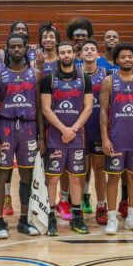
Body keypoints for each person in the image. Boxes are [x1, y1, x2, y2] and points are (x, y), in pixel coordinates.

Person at [40, 41, 94, 235]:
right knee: (53, 179)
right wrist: (63, 129)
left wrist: (73, 129)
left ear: (74, 54)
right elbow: (46, 108)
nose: (66, 55)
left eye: (69, 52)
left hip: (77, 136)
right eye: (62, 52)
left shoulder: (84, 78)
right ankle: (51, 218)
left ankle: (77, 218)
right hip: (55, 136)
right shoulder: (49, 78)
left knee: (76, 179)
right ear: (58, 55)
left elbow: (88, 107)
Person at [100, 43, 133, 234]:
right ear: (117, 60)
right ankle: (112, 218)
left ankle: (132, 218)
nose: (127, 60)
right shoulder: (109, 81)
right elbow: (104, 110)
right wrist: (104, 138)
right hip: (116, 138)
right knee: (113, 177)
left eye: (130, 56)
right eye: (123, 57)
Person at [0, 33, 39, 238]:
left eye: (20, 46)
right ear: (7, 50)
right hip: (5, 127)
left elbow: (40, 108)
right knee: (1, 175)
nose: (17, 50)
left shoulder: (35, 74)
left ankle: (24, 220)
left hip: (28, 128)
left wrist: (42, 137)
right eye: (13, 47)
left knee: (27, 175)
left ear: (26, 49)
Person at [80, 39, 110, 225]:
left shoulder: (105, 74)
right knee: (81, 169)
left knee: (99, 169)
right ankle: (81, 200)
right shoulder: (75, 73)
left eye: (92, 49)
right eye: (86, 49)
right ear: (80, 55)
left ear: (97, 54)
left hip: (99, 127)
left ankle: (101, 206)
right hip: (80, 127)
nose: (89, 52)